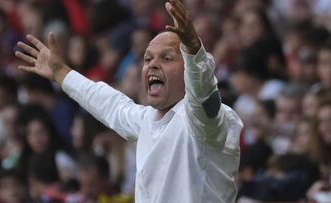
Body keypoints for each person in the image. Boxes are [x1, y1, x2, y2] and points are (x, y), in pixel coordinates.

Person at [15, 0, 243, 202]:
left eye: (167, 58)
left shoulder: (206, 120)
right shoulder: (147, 121)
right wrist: (61, 73)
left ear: (188, 70)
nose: (153, 65)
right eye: (147, 58)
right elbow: (108, 103)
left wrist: (194, 51)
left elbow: (203, 93)